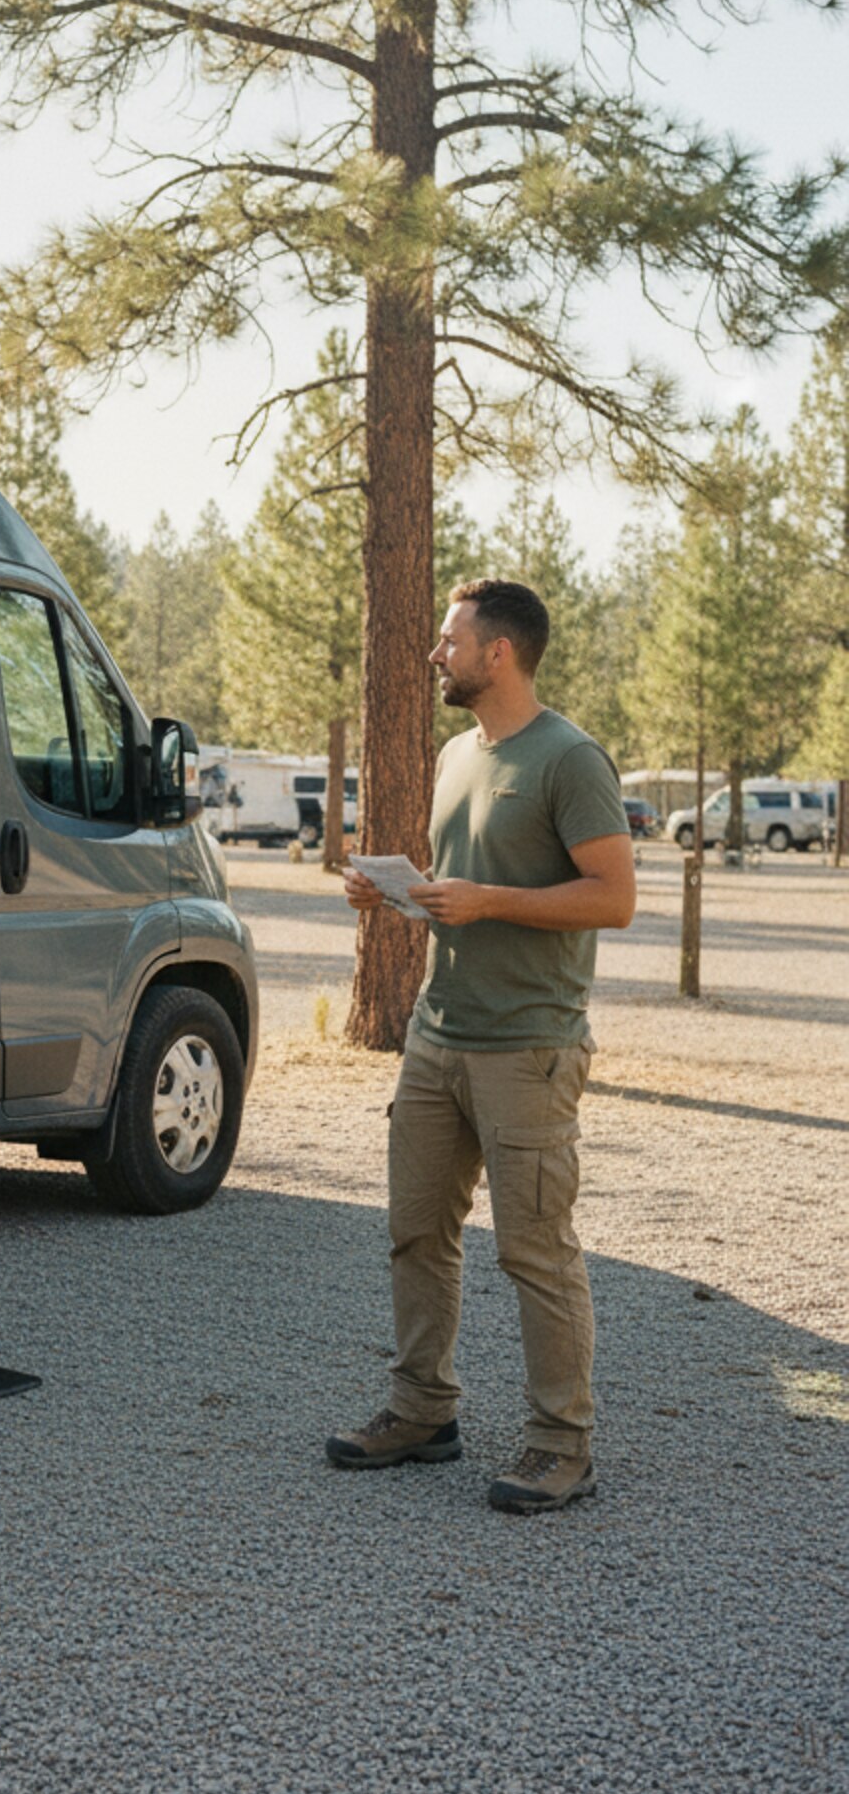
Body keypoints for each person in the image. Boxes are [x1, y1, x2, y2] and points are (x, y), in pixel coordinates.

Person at [330, 579, 635, 1513]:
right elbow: (467, 883)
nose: (436, 653)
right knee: (416, 1232)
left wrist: (486, 900)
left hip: (527, 1049)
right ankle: (423, 1410)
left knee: (534, 1252)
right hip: (438, 1036)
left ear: (498, 652)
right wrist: (400, 891)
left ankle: (561, 1446)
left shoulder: (570, 759)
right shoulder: (459, 754)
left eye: (451, 639)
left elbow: (612, 898)